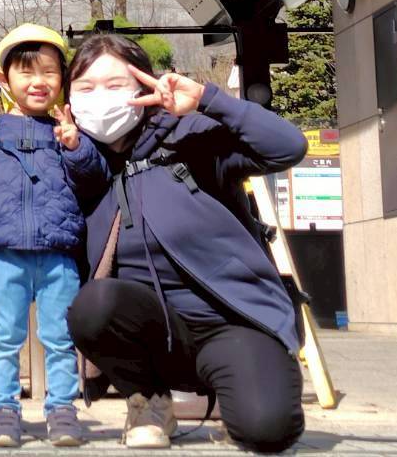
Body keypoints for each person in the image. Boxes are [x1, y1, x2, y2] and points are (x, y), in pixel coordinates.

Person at [62, 33, 308, 452]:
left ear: (145, 85)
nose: (99, 98)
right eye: (85, 87)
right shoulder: (82, 166)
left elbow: (288, 147)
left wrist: (209, 100)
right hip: (153, 335)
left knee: (267, 431)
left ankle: (246, 386)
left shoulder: (191, 135)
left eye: (115, 84)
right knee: (93, 305)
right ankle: (149, 401)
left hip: (231, 323)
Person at [0, 24, 103, 448]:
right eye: (26, 71)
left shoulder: (71, 132)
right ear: (3, 79)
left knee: (60, 338)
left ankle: (62, 409)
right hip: (5, 257)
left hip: (60, 257)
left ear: (63, 79)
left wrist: (76, 147)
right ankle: (3, 410)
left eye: (49, 72)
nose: (38, 82)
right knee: (5, 338)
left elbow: (94, 182)